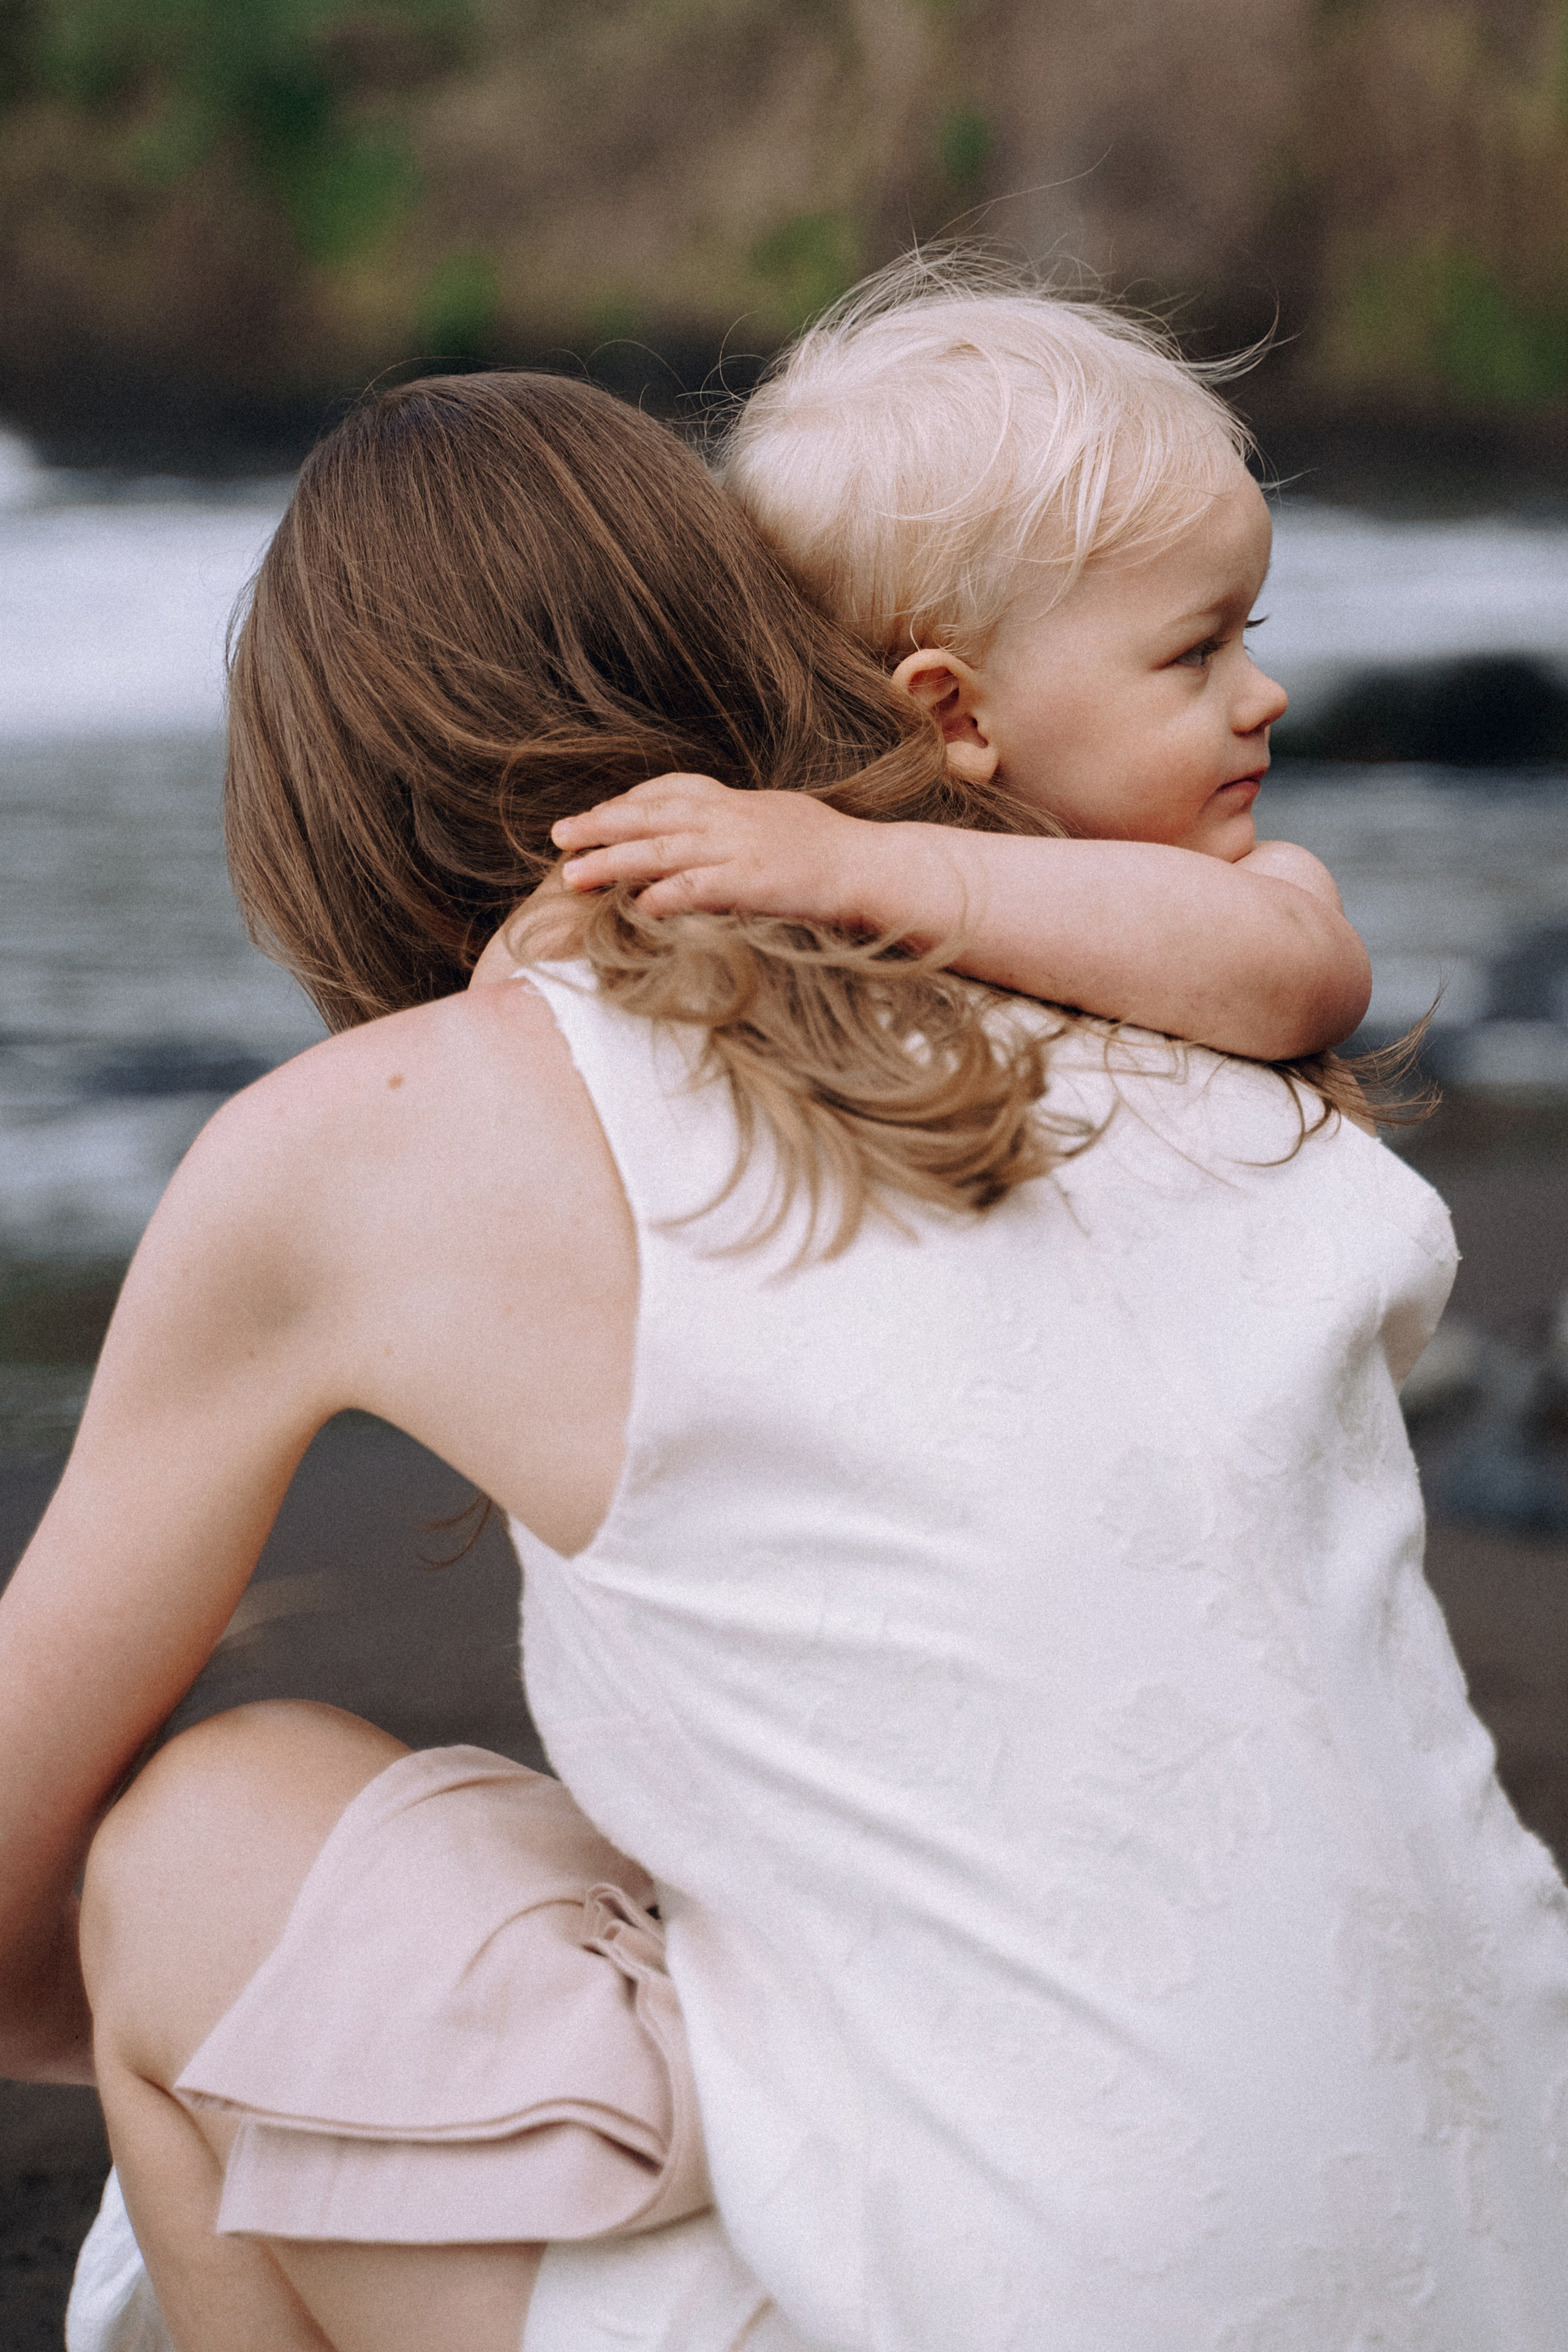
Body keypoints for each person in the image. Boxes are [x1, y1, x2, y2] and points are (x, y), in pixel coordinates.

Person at [0, 334, 1554, 2352]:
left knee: (202, 1849)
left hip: (1037, 2307)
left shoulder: (368, 1140)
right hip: (1514, 2236)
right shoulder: (1184, 987)